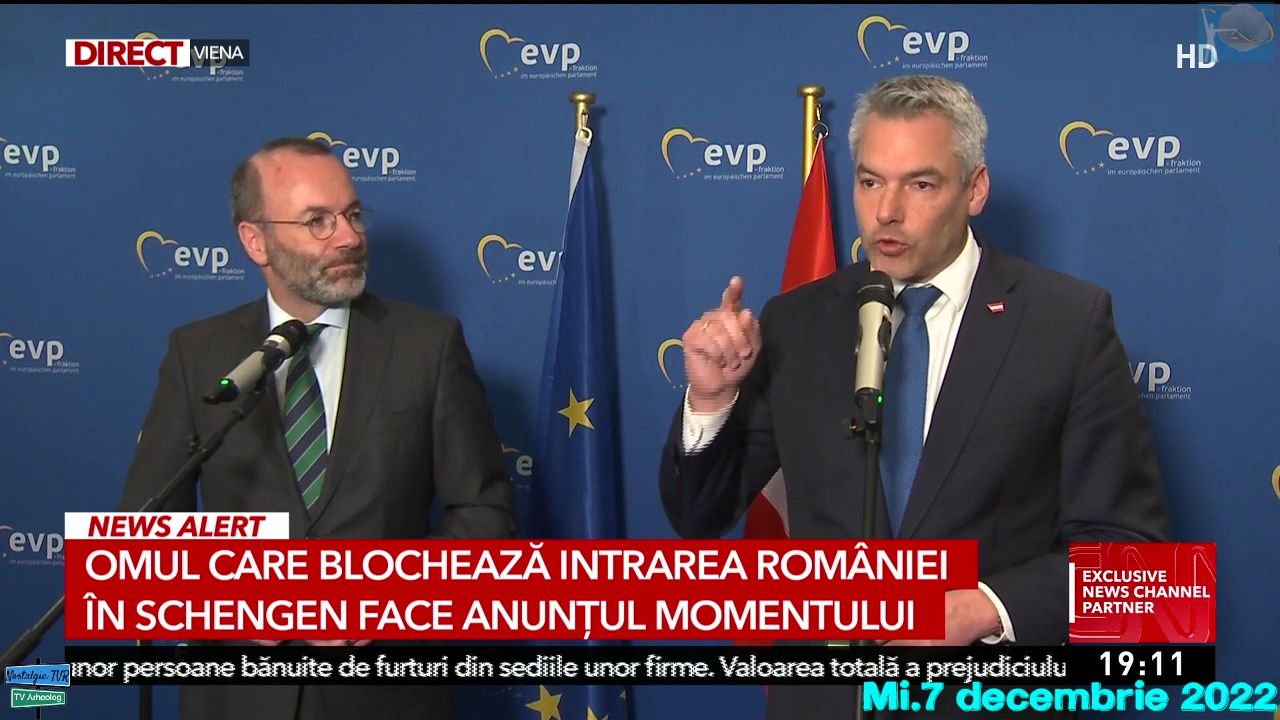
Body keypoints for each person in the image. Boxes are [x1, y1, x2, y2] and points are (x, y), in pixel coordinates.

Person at [659, 75, 1170, 718]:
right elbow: (698, 516)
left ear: (975, 189)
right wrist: (709, 402)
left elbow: (1139, 566)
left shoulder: (1066, 323)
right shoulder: (797, 322)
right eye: (870, 181)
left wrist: (986, 607)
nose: (886, 212)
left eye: (920, 185)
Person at [119, 136, 516, 719]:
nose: (348, 237)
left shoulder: (428, 346)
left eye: (352, 214)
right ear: (256, 240)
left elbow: (484, 514)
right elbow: (143, 533)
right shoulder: (198, 355)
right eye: (317, 221)